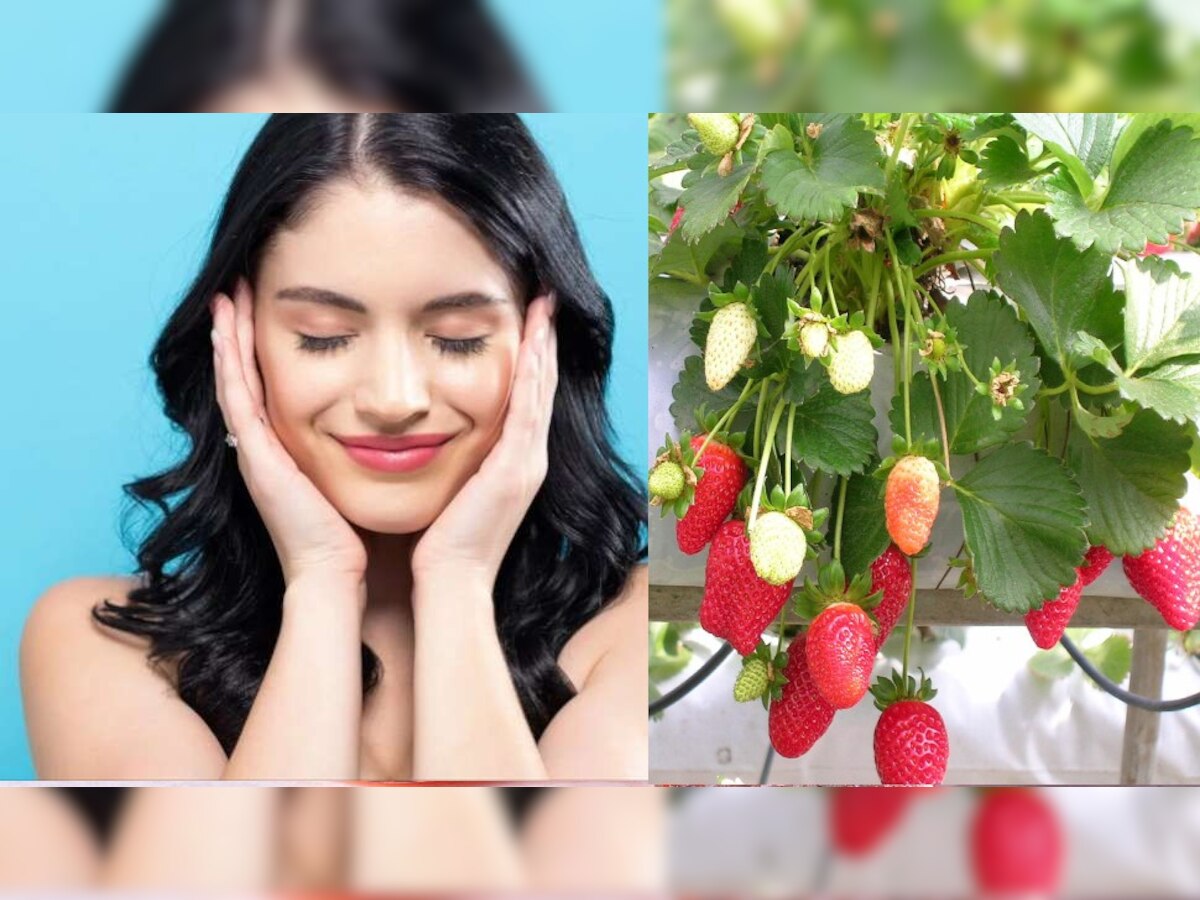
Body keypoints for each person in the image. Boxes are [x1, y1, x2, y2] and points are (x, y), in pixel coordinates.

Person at [20, 113, 647, 781]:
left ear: (542, 342)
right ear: (239, 338)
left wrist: (457, 581)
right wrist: (319, 578)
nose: (393, 398)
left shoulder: (649, 632)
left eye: (459, 336)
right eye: (322, 335)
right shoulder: (99, 644)